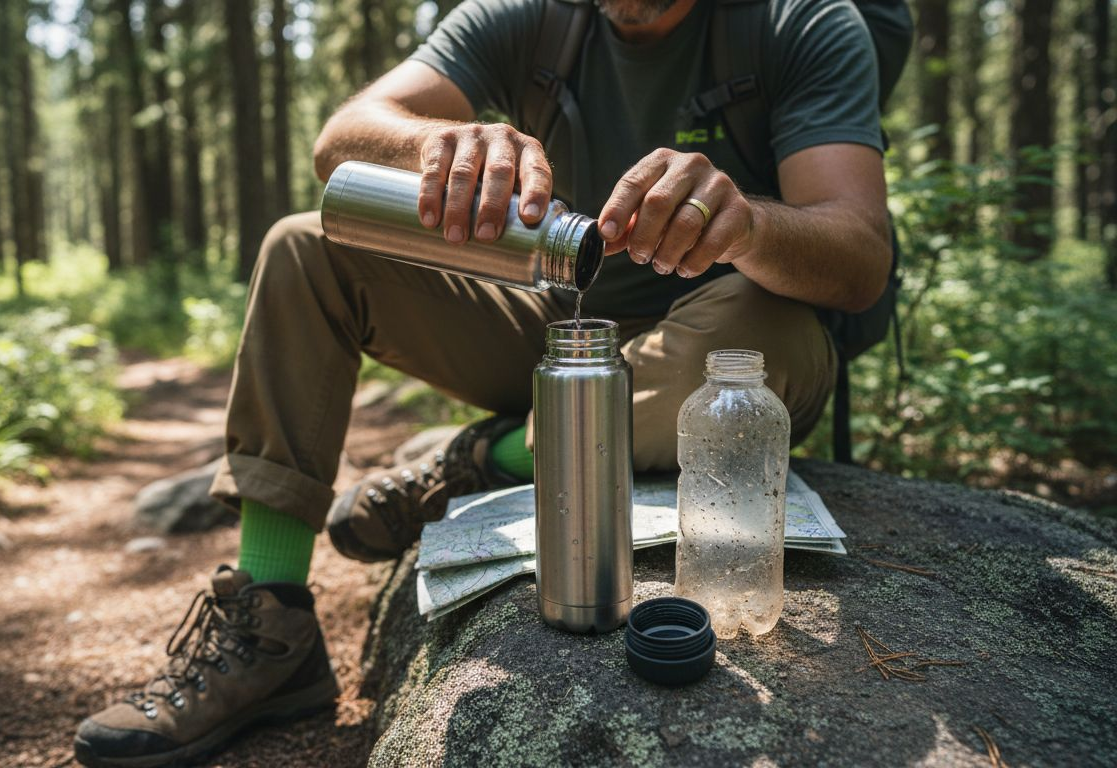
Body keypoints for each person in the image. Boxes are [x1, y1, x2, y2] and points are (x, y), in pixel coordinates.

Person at [72, 0, 894, 765]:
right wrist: (437, 145)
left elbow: (858, 254)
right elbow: (342, 139)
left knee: (737, 352)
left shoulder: (800, 21)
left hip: (728, 335)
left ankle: (490, 457)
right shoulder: (531, 17)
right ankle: (272, 621)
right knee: (304, 246)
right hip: (550, 325)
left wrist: (746, 223)